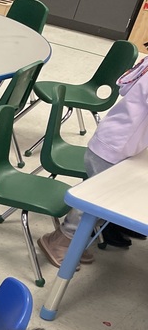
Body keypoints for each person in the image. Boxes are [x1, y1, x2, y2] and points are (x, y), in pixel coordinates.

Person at [38, 54, 148, 266]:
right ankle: (59, 241)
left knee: (101, 196)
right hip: (114, 147)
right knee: (94, 201)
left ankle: (75, 242)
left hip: (115, 143)